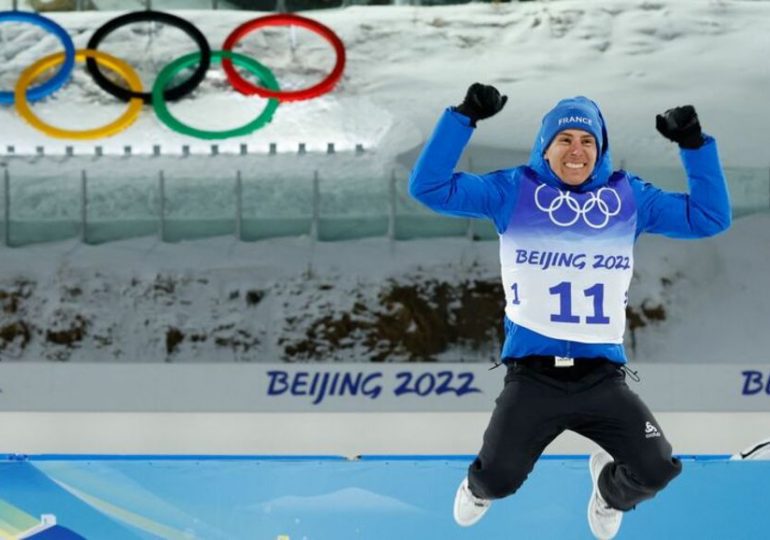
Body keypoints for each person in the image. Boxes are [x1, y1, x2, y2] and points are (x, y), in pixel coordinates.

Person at [408, 84, 731, 539]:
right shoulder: (512, 191)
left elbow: (709, 217)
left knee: (657, 471)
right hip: (532, 378)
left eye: (587, 141)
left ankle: (607, 489)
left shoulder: (629, 198)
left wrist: (693, 145)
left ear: (600, 150)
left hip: (602, 379)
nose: (576, 151)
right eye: (565, 140)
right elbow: (429, 187)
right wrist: (464, 117)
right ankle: (478, 489)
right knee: (497, 481)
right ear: (545, 145)